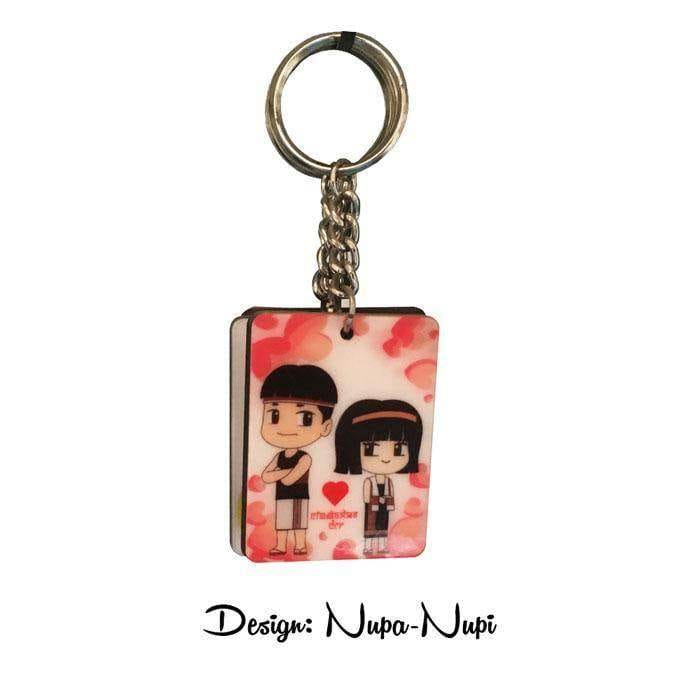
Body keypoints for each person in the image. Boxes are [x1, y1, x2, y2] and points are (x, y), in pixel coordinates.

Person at [259, 364, 338, 556]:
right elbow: (265, 477)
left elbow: (287, 480)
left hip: (299, 495)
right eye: (274, 415)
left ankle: (300, 545)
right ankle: (280, 546)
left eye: (306, 418)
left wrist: (278, 473)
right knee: (282, 523)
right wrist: (285, 472)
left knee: (299, 524)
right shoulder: (280, 455)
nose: (286, 428)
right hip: (282, 496)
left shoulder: (305, 457)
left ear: (326, 427)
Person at [335, 399, 422, 555]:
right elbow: (365, 496)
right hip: (372, 507)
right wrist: (374, 500)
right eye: (370, 448)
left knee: (383, 526)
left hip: (384, 508)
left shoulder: (389, 482)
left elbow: (392, 494)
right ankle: (368, 546)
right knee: (370, 526)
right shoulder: (369, 481)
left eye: (398, 449)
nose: (386, 458)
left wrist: (386, 501)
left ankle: (382, 546)